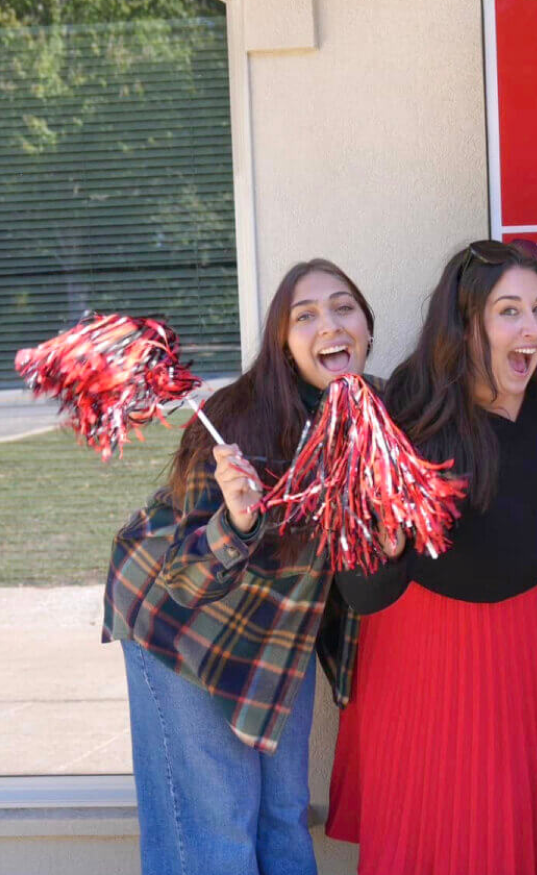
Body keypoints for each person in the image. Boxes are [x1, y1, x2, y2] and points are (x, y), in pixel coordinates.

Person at [327, 240, 537, 875]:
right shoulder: (406, 412)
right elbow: (360, 592)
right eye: (510, 311)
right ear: (466, 321)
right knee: (429, 836)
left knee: (534, 833)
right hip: (424, 662)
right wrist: (385, 547)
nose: (531, 328)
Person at [105, 259, 374, 875]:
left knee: (283, 813)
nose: (328, 324)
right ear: (283, 344)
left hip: (278, 628)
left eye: (343, 307)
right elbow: (184, 577)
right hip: (183, 624)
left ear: (365, 327)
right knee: (216, 826)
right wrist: (239, 521)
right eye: (304, 316)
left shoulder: (370, 416)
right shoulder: (236, 419)